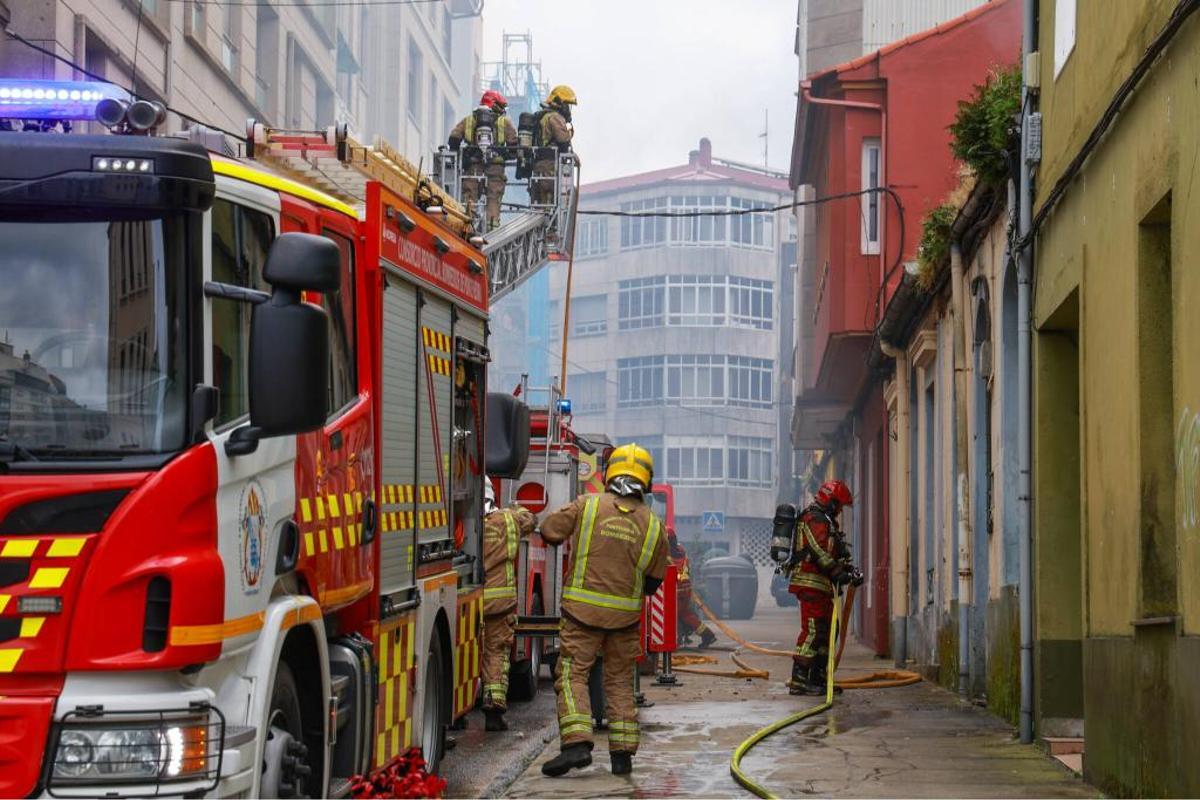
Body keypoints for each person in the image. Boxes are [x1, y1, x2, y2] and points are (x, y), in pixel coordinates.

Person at [538, 443, 668, 778]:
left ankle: (577, 745)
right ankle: (622, 756)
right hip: (625, 620)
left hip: (581, 615)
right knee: (621, 682)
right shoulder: (654, 526)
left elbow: (550, 531)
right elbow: (653, 583)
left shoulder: (589, 505)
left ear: (610, 472)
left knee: (571, 674)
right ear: (647, 480)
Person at [786, 480, 863, 696]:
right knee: (813, 630)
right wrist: (840, 573)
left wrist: (849, 570)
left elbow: (833, 554)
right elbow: (820, 553)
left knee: (829, 631)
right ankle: (799, 679)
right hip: (810, 583)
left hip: (823, 587)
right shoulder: (813, 519)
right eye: (839, 506)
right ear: (831, 501)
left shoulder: (826, 521)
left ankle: (818, 678)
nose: (840, 511)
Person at [480, 480, 537, 731]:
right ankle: (494, 708)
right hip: (500, 602)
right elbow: (531, 520)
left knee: (465, 654)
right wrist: (515, 507)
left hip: (468, 601)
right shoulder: (507, 519)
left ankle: (457, 712)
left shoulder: (462, 521)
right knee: (496, 653)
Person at [448, 90, 517, 231]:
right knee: (493, 200)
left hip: (472, 169)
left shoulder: (468, 120)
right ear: (494, 104)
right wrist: (505, 155)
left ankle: (467, 229)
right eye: (501, 106)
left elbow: (453, 138)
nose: (503, 110)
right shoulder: (505, 122)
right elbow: (514, 147)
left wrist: (463, 155)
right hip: (495, 170)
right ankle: (492, 231)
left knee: (469, 199)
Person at [529, 84, 577, 208]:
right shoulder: (554, 117)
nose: (568, 109)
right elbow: (563, 138)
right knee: (548, 206)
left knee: (539, 204)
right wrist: (571, 130)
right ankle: (549, 226)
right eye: (567, 105)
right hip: (549, 167)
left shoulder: (543, 116)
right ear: (559, 103)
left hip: (539, 166)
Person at [669, 530, 716, 648]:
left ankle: (675, 641)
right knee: (686, 615)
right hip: (685, 590)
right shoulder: (681, 552)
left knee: (671, 616)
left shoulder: (666, 555)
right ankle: (707, 635)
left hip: (675, 591)